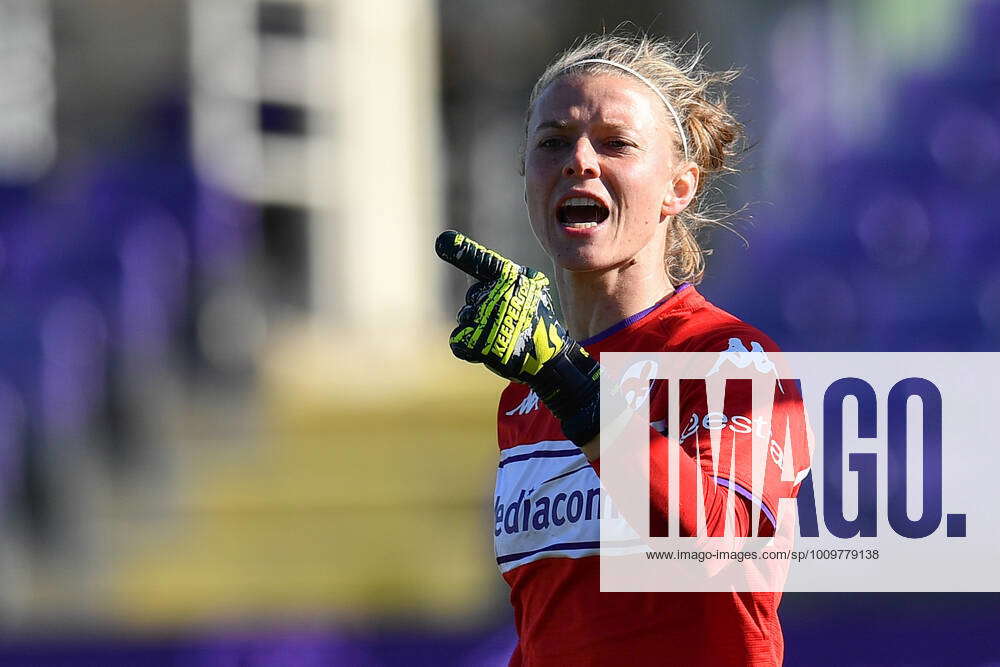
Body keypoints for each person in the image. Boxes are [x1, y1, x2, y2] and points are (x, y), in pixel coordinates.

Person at [436, 32, 809, 666]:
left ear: (679, 188)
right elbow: (551, 626)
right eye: (552, 142)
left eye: (616, 143)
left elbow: (720, 547)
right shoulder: (524, 396)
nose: (579, 160)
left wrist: (569, 384)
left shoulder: (727, 355)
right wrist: (558, 378)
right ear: (524, 177)